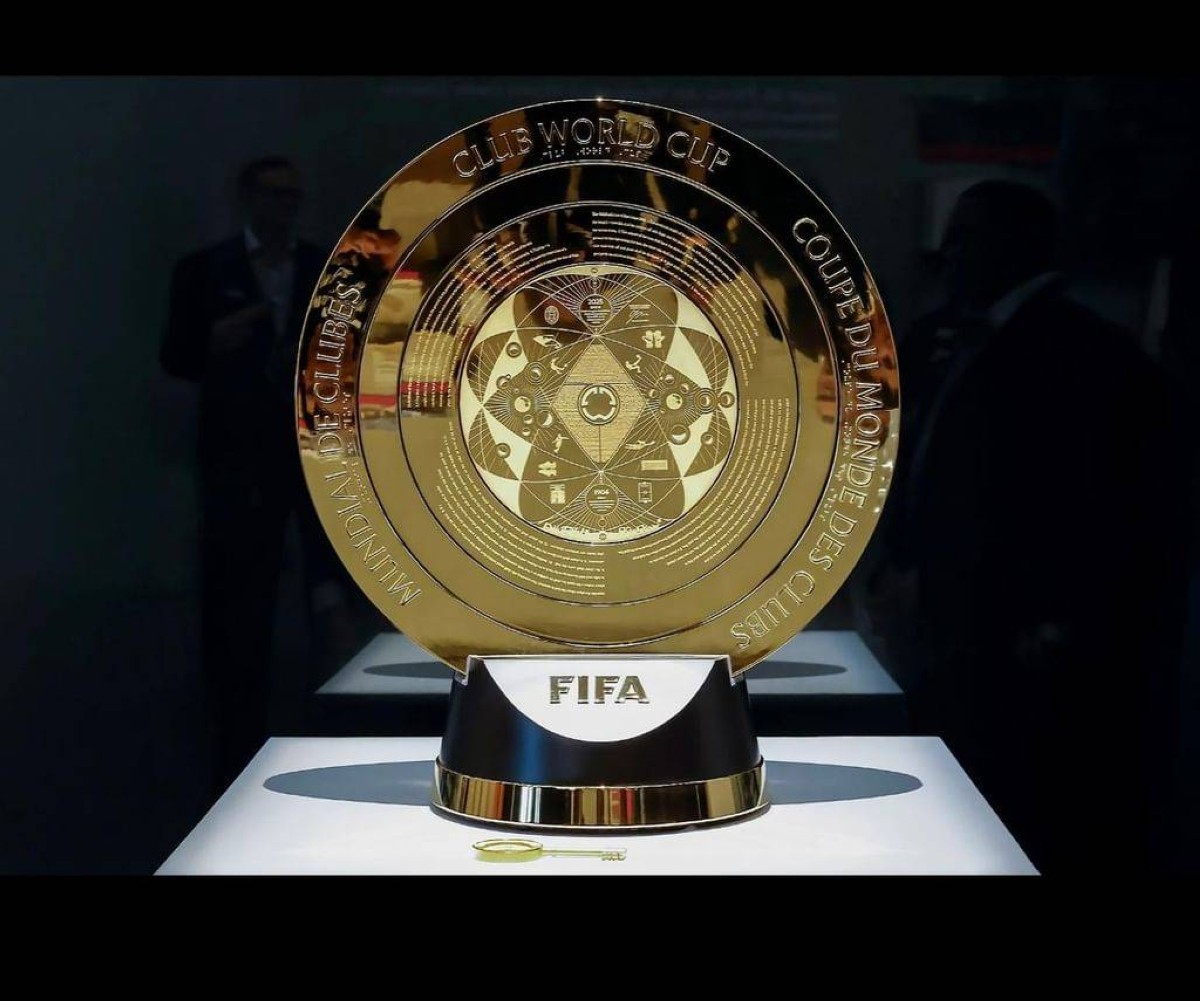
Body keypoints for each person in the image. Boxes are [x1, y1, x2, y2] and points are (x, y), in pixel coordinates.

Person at [872, 180, 1185, 873]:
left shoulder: (1079, 355)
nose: (949, 254)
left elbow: (1104, 500)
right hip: (966, 616)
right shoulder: (964, 341)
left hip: (1017, 631)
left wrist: (1057, 617)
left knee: (1017, 799)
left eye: (967, 237)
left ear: (1013, 244)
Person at [161, 156, 350, 797]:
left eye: (292, 197)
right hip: (238, 455)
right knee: (239, 598)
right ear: (247, 198)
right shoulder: (205, 270)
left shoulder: (322, 268)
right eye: (273, 196)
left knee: (326, 587)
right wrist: (218, 339)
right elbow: (176, 356)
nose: (283, 208)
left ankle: (328, 727)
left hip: (312, 449)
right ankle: (235, 738)